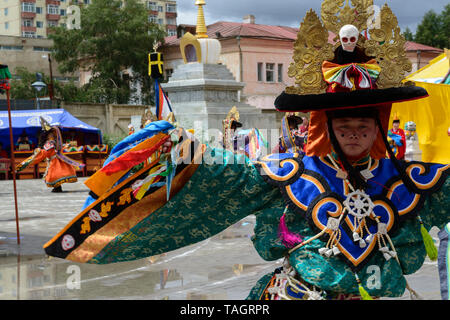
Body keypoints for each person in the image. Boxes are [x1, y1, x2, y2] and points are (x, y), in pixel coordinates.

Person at [43, 1, 449, 300]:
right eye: (345, 126)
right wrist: (183, 148)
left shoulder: (404, 178)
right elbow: (230, 171)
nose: (355, 134)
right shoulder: (292, 173)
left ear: (377, 128)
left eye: (364, 126)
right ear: (326, 128)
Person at [16, 117, 84, 192]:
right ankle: (57, 187)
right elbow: (48, 151)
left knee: (54, 174)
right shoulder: (51, 142)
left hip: (55, 160)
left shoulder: (50, 142)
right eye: (51, 134)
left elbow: (46, 152)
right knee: (55, 174)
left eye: (52, 134)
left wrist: (39, 152)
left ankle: (57, 187)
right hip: (54, 159)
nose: (52, 135)